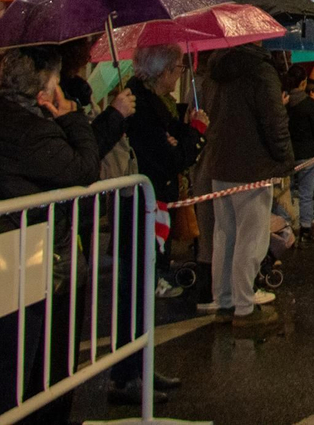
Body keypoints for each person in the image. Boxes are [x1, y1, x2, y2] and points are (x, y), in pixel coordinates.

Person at [0, 45, 101, 425]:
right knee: (13, 370)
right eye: (56, 79)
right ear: (44, 90)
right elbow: (84, 169)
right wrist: (73, 119)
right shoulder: (34, 132)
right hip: (16, 260)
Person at [108, 44, 204, 404]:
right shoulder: (137, 104)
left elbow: (173, 143)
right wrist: (194, 133)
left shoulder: (155, 103)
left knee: (143, 292)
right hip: (138, 210)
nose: (179, 75)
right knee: (133, 294)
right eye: (177, 68)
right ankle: (126, 375)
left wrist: (184, 131)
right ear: (162, 72)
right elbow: (170, 157)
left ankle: (140, 367)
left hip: (152, 208)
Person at [197, 43, 294, 330]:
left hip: (220, 164)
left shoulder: (214, 70)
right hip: (253, 167)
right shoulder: (260, 71)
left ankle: (225, 301)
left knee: (224, 235)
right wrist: (285, 159)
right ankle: (244, 306)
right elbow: (274, 121)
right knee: (251, 238)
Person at [284, 64, 314, 243]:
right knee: (306, 193)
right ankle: (306, 228)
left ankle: (286, 227)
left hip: (288, 153)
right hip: (307, 153)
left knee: (286, 192)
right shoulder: (309, 104)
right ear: (303, 83)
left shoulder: (283, 102)